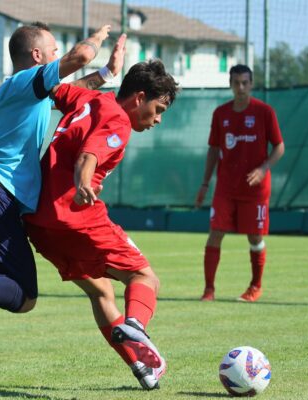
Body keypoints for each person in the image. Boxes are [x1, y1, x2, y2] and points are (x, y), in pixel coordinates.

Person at [0, 22, 126, 398]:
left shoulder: (27, 94)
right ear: (36, 56)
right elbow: (79, 57)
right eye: (51, 49)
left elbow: (76, 89)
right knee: (24, 296)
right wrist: (98, 37)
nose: (56, 55)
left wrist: (110, 73)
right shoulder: (21, 83)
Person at [24, 60, 178, 390]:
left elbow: (54, 90)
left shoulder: (90, 99)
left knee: (102, 291)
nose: (158, 119)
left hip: (39, 223)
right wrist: (82, 183)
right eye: (159, 108)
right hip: (77, 216)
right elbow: (87, 157)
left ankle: (141, 364)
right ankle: (136, 325)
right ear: (139, 98)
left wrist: (105, 72)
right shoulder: (119, 120)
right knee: (145, 277)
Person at [195, 64, 285, 303]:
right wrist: (205, 184)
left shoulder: (265, 112)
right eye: (236, 83)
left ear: (251, 84)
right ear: (230, 85)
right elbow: (213, 150)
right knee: (215, 234)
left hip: (255, 189)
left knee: (254, 238)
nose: (241, 88)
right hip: (226, 187)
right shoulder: (221, 114)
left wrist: (263, 169)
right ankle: (209, 290)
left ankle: (255, 286)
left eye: (245, 83)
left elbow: (279, 147)